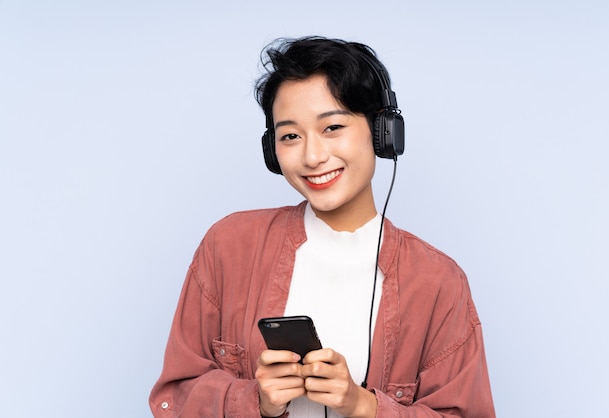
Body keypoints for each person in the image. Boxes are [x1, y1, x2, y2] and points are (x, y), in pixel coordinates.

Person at [149, 36, 495, 418]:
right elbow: (173, 397)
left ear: (382, 132)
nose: (313, 156)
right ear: (272, 151)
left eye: (332, 128)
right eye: (291, 136)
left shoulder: (438, 282)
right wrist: (256, 402)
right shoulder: (229, 246)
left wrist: (364, 405)